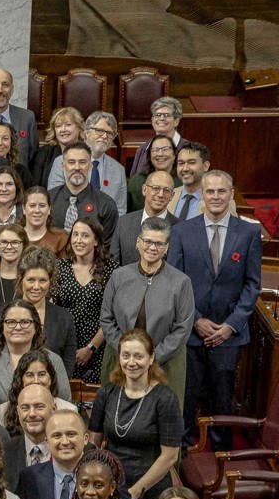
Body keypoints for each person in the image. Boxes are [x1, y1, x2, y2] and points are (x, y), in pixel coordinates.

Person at [167, 169, 262, 447]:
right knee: (187, 398)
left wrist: (231, 325)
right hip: (191, 331)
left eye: (222, 191)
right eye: (210, 191)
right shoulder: (182, 232)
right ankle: (182, 456)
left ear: (231, 194)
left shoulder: (249, 233)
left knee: (222, 400)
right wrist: (196, 320)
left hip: (227, 335)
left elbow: (252, 285)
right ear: (202, 197)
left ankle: (221, 456)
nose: (216, 197)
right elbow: (175, 282)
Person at [99, 215, 195, 405]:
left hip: (164, 364)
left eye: (159, 244)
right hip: (120, 361)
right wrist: (127, 354)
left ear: (166, 248)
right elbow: (107, 318)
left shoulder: (181, 282)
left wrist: (151, 358)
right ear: (138, 243)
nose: (152, 248)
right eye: (148, 241)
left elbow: (182, 329)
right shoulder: (119, 276)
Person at [89, 330, 183, 499]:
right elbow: (94, 444)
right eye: (126, 356)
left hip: (149, 489)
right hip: (110, 484)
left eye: (138, 356)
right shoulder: (106, 392)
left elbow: (170, 456)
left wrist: (134, 491)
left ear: (151, 358)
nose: (131, 362)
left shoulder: (165, 398)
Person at [0, 303, 72, 410]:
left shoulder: (53, 360)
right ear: (2, 327)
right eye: (11, 322)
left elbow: (65, 404)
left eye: (25, 322)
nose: (18, 327)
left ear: (36, 327)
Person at [54, 217, 113, 383]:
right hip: (64, 348)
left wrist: (91, 348)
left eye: (85, 235)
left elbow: (113, 315)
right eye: (75, 234)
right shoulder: (59, 267)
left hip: (98, 350)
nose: (78, 240)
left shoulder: (112, 270)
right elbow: (52, 309)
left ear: (96, 241)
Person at [18, 408, 89, 499]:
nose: (65, 442)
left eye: (71, 434)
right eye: (57, 436)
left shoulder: (103, 476)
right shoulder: (29, 477)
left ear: (85, 438)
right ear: (46, 441)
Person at [48, 111, 127, 213]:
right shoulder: (62, 161)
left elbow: (120, 210)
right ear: (86, 132)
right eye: (99, 130)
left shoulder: (118, 170)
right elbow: (54, 200)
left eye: (110, 133)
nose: (104, 136)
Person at [49, 141, 118, 247]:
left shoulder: (106, 205)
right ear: (63, 166)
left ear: (90, 166)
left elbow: (107, 248)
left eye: (82, 162)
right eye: (71, 162)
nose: (77, 167)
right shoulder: (48, 200)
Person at [113, 168, 180, 270]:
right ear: (144, 190)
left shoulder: (180, 229)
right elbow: (113, 264)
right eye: (155, 188)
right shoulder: (123, 223)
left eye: (166, 190)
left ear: (172, 195)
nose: (161, 194)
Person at [3, 383, 56, 491]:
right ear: (18, 412)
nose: (31, 414)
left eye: (39, 407)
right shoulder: (4, 451)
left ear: (53, 409)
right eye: (25, 408)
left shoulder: (68, 450)